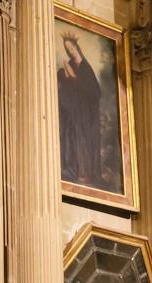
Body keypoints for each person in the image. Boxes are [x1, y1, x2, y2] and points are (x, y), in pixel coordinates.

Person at [57, 34, 101, 186]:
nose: (70, 51)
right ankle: (72, 169)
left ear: (77, 47)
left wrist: (74, 77)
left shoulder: (85, 68)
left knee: (82, 140)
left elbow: (95, 92)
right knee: (71, 138)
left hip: (85, 113)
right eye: (67, 49)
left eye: (72, 48)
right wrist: (64, 75)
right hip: (73, 111)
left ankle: (85, 172)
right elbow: (68, 87)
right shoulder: (70, 64)